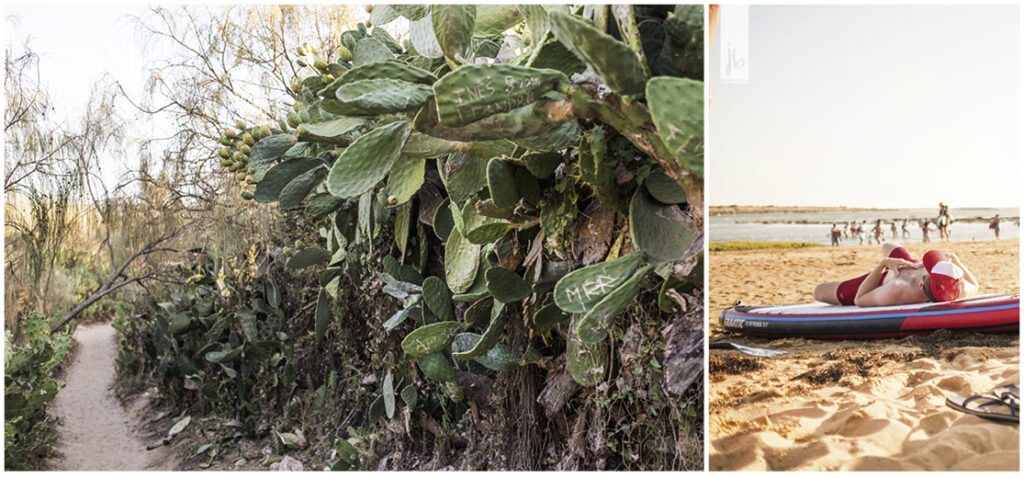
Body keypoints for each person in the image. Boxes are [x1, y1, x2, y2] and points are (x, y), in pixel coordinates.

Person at [813, 243, 979, 306]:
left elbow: (859, 299)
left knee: (819, 292)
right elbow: (976, 285)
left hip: (886, 278)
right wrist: (956, 260)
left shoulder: (898, 289)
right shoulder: (955, 286)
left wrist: (883, 264)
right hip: (907, 262)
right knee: (887, 245)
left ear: (922, 285)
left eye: (928, 269)